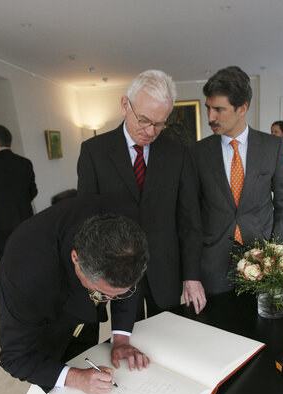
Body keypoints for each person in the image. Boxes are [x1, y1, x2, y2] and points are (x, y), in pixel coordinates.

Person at [77, 69, 206, 319]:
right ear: (125, 105)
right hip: (118, 270)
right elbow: (87, 218)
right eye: (144, 120)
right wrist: (93, 274)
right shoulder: (94, 152)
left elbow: (190, 220)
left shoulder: (178, 154)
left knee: (168, 336)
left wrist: (192, 275)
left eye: (159, 124)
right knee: (127, 340)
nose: (150, 131)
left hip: (166, 271)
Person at [0, 196, 150, 394]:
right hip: (46, 321)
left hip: (80, 303)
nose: (109, 301)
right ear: (76, 259)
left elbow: (122, 280)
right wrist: (75, 377)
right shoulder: (25, 279)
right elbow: (15, 357)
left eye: (120, 294)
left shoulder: (126, 236)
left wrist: (121, 339)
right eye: (103, 294)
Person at [191, 66, 283, 295]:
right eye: (208, 108)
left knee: (260, 328)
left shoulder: (272, 147)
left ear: (242, 108)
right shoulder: (197, 153)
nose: (210, 117)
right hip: (212, 265)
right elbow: (191, 213)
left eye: (219, 109)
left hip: (261, 263)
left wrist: (272, 250)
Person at [0, 125, 38, 259]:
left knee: (7, 259)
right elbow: (33, 191)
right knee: (27, 254)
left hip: (1, 222)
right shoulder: (25, 163)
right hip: (24, 218)